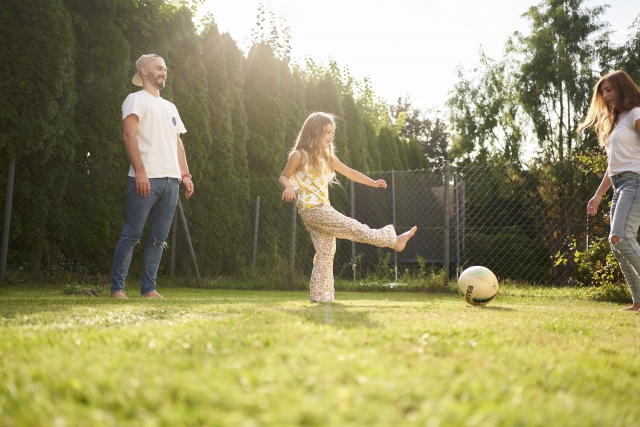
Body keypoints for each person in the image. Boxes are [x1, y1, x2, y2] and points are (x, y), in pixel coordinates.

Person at [279, 112, 417, 302]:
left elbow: (350, 173)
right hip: (314, 210)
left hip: (320, 210)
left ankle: (321, 295)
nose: (330, 136)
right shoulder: (299, 156)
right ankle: (393, 240)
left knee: (326, 251)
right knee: (354, 228)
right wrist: (288, 187)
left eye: (332, 133)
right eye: (326, 132)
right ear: (314, 130)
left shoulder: (328, 158)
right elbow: (284, 176)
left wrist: (373, 182)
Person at [110, 54, 194, 299]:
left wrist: (185, 174)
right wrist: (140, 172)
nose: (163, 72)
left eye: (165, 69)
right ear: (144, 71)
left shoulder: (170, 107)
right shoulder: (135, 100)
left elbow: (177, 142)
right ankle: (117, 289)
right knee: (132, 233)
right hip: (146, 178)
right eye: (159, 68)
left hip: (171, 182)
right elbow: (128, 136)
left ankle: (148, 290)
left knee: (158, 239)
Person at [581, 70, 640, 311]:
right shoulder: (616, 122)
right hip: (619, 184)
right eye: (602, 92)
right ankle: (638, 302)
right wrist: (598, 194)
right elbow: (613, 165)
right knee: (616, 244)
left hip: (635, 182)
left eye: (609, 90)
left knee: (621, 236)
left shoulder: (635, 114)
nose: (605, 95)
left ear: (622, 88)